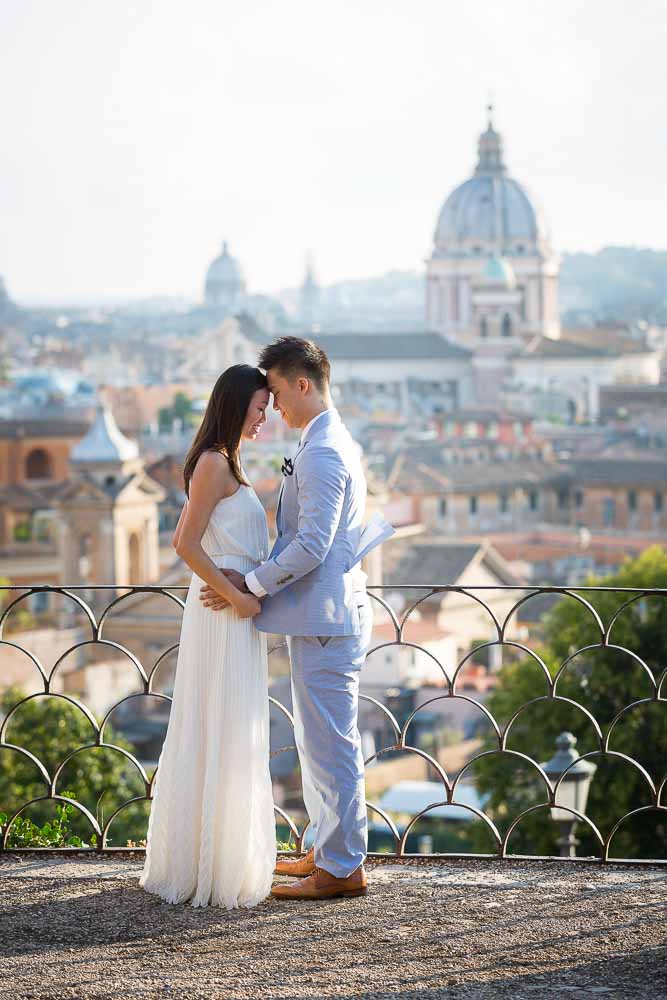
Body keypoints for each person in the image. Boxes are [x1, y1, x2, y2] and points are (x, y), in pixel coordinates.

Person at [200, 337, 373, 901]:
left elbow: (311, 546)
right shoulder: (325, 441)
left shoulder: (322, 451)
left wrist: (245, 587)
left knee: (330, 744)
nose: (272, 405)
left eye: (274, 391)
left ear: (302, 384)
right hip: (321, 615)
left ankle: (342, 867)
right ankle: (327, 851)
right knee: (319, 738)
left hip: (325, 616)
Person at [139, 364, 276, 909]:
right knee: (222, 724)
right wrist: (239, 596)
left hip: (229, 614)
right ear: (238, 402)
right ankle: (209, 867)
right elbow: (185, 542)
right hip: (222, 615)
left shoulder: (225, 461)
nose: (265, 416)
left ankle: (221, 858)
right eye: (260, 406)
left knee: (229, 725)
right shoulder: (216, 463)